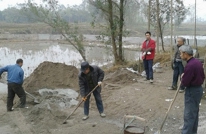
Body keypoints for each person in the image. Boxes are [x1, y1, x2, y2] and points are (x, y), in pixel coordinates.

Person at [179, 45, 205, 134]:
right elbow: (203, 76)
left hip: (192, 91)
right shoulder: (197, 62)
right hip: (198, 89)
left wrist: (182, 77)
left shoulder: (190, 65)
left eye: (181, 53)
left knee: (189, 115)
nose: (180, 55)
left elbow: (185, 82)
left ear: (186, 54)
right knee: (194, 114)